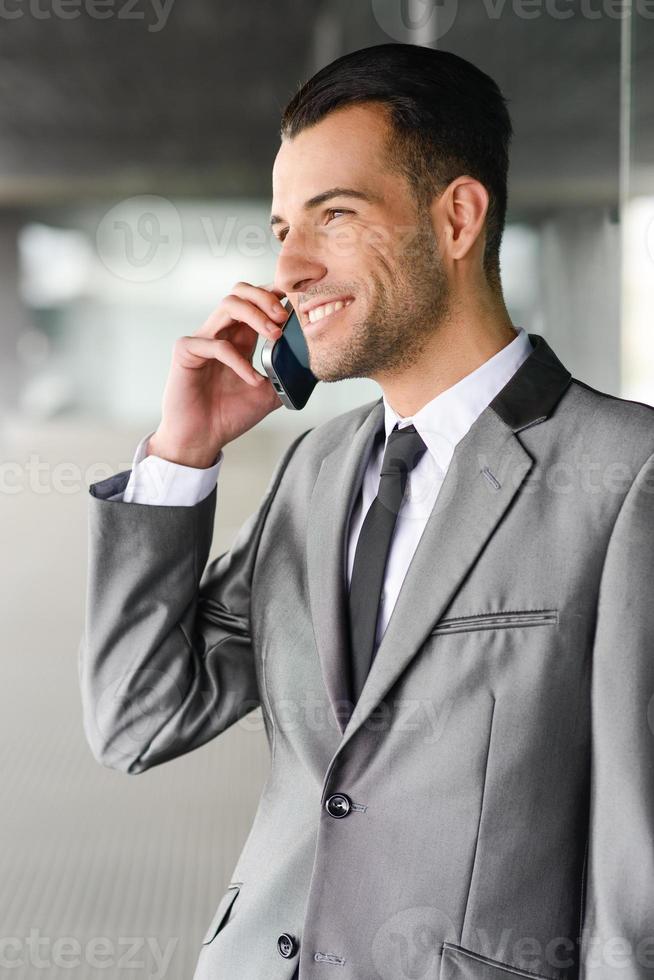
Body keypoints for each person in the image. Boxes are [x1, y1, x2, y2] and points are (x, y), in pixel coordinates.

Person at [79, 43, 654, 980]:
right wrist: (183, 456)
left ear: (458, 218)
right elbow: (138, 718)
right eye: (280, 230)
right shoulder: (318, 467)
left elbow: (640, 875)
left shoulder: (626, 474)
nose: (292, 267)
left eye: (334, 217)